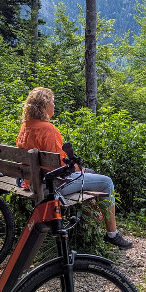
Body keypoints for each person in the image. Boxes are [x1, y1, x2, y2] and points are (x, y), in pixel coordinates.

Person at [16, 87, 133, 249]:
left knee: (90, 174)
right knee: (106, 182)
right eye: (52, 102)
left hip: (32, 183)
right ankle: (111, 234)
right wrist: (76, 167)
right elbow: (59, 167)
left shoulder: (25, 127)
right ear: (44, 105)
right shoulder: (48, 129)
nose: (54, 105)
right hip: (51, 186)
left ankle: (88, 225)